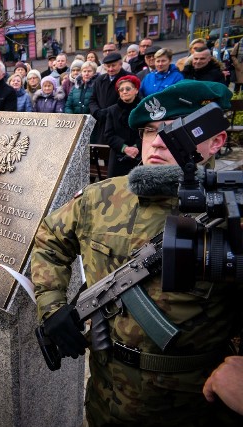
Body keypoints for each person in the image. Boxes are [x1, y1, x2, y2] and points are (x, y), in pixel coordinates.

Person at [31, 80, 242, 426]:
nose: (157, 142)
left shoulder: (231, 218)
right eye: (148, 131)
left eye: (175, 131)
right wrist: (52, 305)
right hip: (104, 399)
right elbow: (49, 240)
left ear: (216, 139)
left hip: (186, 406)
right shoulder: (100, 198)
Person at [89, 52, 131, 145]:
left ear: (120, 64)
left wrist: (110, 112)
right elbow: (93, 99)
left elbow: (131, 99)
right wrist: (96, 112)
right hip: (102, 123)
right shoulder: (100, 80)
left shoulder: (129, 79)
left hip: (121, 123)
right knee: (104, 154)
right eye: (108, 66)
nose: (110, 69)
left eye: (113, 65)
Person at [103, 75, 141, 177]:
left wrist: (136, 147)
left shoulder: (143, 109)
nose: (124, 91)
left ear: (136, 90)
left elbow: (148, 132)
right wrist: (125, 148)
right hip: (117, 158)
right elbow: (108, 135)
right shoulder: (112, 110)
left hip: (139, 156)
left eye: (128, 89)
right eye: (121, 90)